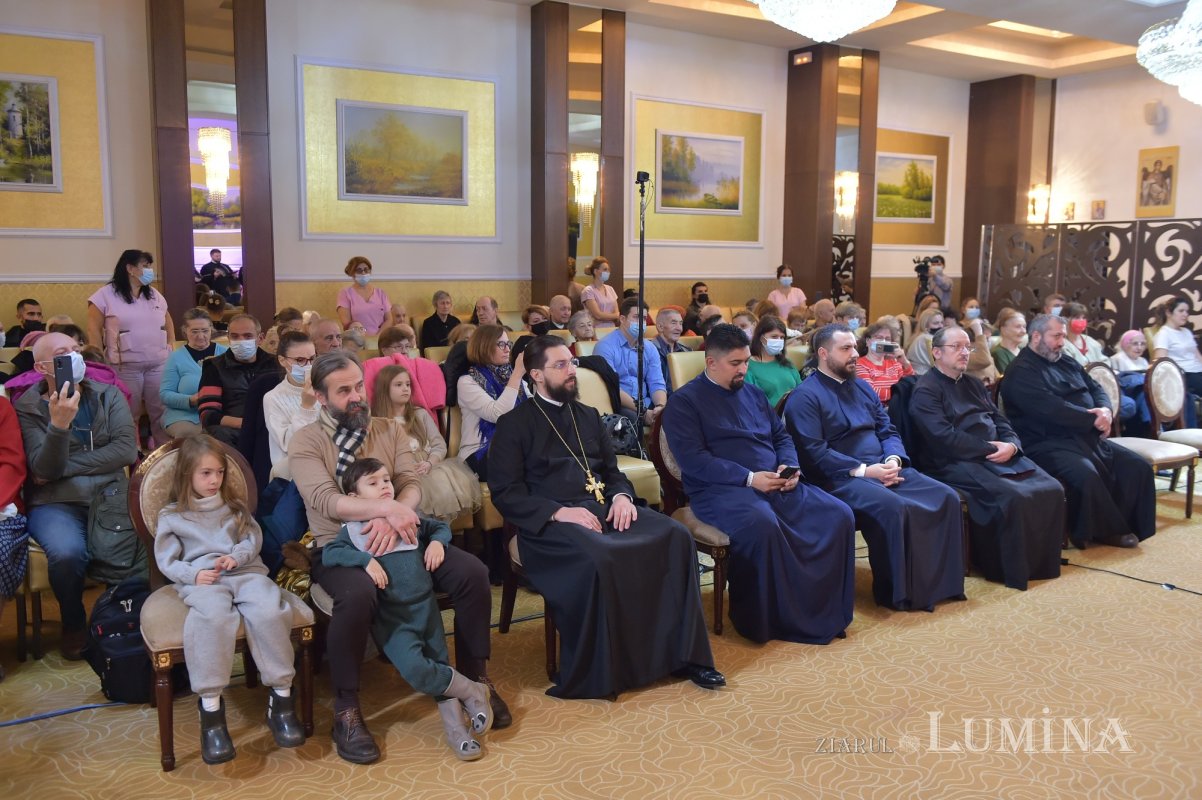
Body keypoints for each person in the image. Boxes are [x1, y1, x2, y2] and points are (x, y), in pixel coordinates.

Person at [289, 351, 509, 763]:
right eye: (343, 391)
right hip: (340, 546)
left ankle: (475, 677)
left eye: (358, 386)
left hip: (406, 534)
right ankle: (347, 707)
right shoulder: (306, 440)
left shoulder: (387, 428)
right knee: (357, 596)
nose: (357, 397)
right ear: (320, 397)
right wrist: (386, 512)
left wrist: (396, 516)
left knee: (472, 573)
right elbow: (325, 500)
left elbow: (411, 484)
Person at [488, 335, 722, 697]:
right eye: (561, 365)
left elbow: (612, 473)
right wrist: (559, 512)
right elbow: (507, 493)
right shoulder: (514, 424)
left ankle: (685, 655)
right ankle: (609, 667)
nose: (571, 371)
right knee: (600, 556)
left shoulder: (588, 415)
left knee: (675, 537)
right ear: (535, 374)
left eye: (572, 363)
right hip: (550, 523)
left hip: (603, 507)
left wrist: (624, 497)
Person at [665, 324, 854, 643]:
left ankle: (821, 610)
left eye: (746, 362)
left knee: (839, 515)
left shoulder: (750, 392)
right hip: (720, 491)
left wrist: (789, 466)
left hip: (774, 481)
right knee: (763, 525)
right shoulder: (684, 402)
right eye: (735, 364)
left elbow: (781, 435)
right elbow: (694, 460)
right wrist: (749, 478)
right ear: (711, 362)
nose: (744, 370)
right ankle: (767, 620)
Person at [784, 324, 965, 612]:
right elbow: (814, 453)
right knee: (892, 506)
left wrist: (893, 460)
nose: (855, 354)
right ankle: (897, 592)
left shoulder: (863, 388)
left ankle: (938, 584)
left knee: (946, 497)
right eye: (846, 349)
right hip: (839, 477)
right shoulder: (804, 397)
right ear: (822, 353)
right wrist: (867, 471)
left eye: (854, 347)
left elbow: (888, 430)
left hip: (885, 467)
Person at [324, 458, 492, 761]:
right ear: (354, 498)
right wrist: (365, 561)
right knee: (417, 670)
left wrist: (437, 544)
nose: (384, 486)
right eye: (373, 483)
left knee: (439, 662)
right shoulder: (353, 532)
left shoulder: (407, 517)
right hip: (395, 618)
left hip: (425, 608)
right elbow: (331, 553)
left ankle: (457, 731)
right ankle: (471, 691)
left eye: (386, 480)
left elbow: (438, 527)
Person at [154, 434, 307, 765]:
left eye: (219, 472)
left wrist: (236, 557)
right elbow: (167, 560)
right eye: (205, 473)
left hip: (244, 573)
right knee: (212, 617)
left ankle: (281, 699)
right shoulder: (172, 516)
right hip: (204, 580)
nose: (214, 481)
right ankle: (211, 714)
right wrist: (193, 575)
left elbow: (253, 538)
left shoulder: (234, 507)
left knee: (269, 609)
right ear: (187, 476)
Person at [909, 326, 1065, 590]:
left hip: (996, 452)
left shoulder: (971, 383)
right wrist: (990, 449)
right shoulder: (926, 390)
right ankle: (1009, 568)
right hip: (954, 461)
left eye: (967, 347)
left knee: (1052, 488)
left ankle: (1041, 563)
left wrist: (1013, 446)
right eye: (956, 347)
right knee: (1014, 497)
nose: (964, 353)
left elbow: (999, 419)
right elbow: (943, 437)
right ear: (936, 352)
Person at [16, 332, 138, 659]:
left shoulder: (107, 395)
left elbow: (125, 451)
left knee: (143, 539)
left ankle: (128, 615)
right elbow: (41, 466)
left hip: (110, 495)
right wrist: (58, 425)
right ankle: (73, 622)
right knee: (67, 553)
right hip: (56, 503)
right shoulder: (27, 407)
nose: (73, 356)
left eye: (75, 349)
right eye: (62, 353)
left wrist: (63, 467)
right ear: (43, 367)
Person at [1000, 314, 1156, 549]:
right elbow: (1052, 409)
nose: (1062, 342)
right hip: (1045, 442)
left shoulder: (1067, 361)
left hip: (1085, 436)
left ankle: (1129, 522)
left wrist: (1105, 410)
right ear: (1036, 336)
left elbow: (1096, 387)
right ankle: (1103, 531)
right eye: (1056, 336)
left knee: (1137, 466)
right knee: (1086, 474)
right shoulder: (1021, 371)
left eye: (1063, 335)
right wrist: (1094, 420)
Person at [88, 249, 174, 446]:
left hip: (158, 363)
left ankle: (164, 454)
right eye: (145, 266)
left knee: (161, 411)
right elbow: (93, 328)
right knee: (128, 412)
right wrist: (98, 360)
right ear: (130, 268)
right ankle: (131, 455)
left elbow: (167, 320)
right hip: (124, 366)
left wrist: (170, 345)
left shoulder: (153, 294)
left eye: (150, 266)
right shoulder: (105, 295)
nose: (150, 270)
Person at [371, 364, 479, 520]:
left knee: (442, 487)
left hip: (429, 468)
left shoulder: (420, 414)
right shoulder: (377, 422)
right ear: (384, 389)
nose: (405, 389)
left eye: (408, 384)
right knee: (413, 497)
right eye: (399, 385)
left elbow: (439, 445)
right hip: (399, 473)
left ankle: (440, 538)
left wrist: (429, 463)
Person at [197, 314, 281, 445]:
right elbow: (207, 415)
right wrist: (247, 424)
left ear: (260, 338)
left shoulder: (277, 365)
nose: (241, 341)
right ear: (229, 338)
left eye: (248, 336)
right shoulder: (213, 367)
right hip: (232, 432)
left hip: (273, 429)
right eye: (235, 336)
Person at [457, 325, 525, 480]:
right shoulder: (467, 381)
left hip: (513, 445)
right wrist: (517, 374)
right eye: (501, 344)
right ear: (484, 346)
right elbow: (499, 415)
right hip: (479, 450)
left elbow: (533, 410)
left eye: (508, 344)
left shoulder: (510, 375)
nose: (507, 349)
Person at [594, 297, 667, 428]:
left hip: (646, 402)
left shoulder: (649, 348)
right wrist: (643, 412)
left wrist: (660, 407)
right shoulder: (605, 347)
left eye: (644, 318)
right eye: (636, 317)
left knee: (676, 413)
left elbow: (656, 382)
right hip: (619, 404)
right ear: (622, 319)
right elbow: (612, 388)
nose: (641, 322)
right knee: (633, 419)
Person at [161, 308, 228, 439]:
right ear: (185, 331)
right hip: (184, 415)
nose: (201, 336)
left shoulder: (226, 353)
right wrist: (190, 400)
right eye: (194, 331)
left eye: (205, 331)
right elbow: (165, 394)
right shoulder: (175, 357)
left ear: (211, 329)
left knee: (225, 435)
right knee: (190, 437)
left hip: (221, 412)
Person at [262, 331, 320, 481]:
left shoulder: (325, 389)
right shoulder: (273, 398)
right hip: (292, 476)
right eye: (300, 360)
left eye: (312, 359)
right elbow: (289, 445)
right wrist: (306, 407)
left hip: (325, 466)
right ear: (282, 360)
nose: (308, 365)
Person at [1152, 296, 1202, 426]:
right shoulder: (1164, 333)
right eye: (1181, 311)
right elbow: (1160, 362)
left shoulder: (1186, 332)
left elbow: (1198, 356)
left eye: (1187, 311)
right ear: (1169, 312)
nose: (1185, 314)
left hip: (1198, 372)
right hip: (1184, 375)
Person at [745, 315, 800, 408]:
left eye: (782, 337)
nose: (779, 340)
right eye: (774, 336)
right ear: (761, 338)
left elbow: (801, 390)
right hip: (769, 419)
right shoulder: (748, 367)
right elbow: (753, 403)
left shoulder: (787, 363)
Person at [856, 321, 914, 404]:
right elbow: (871, 392)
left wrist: (905, 362)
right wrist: (900, 392)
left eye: (887, 339)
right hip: (876, 410)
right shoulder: (860, 364)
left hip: (897, 407)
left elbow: (911, 383)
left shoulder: (894, 363)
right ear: (868, 341)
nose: (883, 341)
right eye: (879, 337)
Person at [335, 256, 392, 335]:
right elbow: (346, 323)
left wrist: (377, 338)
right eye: (359, 270)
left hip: (381, 339)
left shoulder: (380, 293)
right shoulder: (345, 293)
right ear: (352, 273)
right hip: (357, 340)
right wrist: (363, 338)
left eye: (366, 269)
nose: (363, 273)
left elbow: (389, 319)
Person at [650, 307, 689, 394]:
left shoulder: (686, 351)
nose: (679, 328)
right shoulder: (648, 351)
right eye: (674, 323)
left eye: (681, 323)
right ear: (660, 326)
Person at [1061, 303, 1107, 367]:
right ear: (1065, 319)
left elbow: (1105, 361)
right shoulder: (1061, 344)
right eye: (1077, 318)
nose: (1081, 321)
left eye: (1083, 318)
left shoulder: (1091, 341)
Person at [581, 257, 619, 331]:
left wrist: (613, 316)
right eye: (605, 269)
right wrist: (614, 316)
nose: (608, 272)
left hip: (612, 329)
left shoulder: (610, 289)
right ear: (595, 271)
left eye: (608, 270)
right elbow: (597, 315)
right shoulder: (588, 291)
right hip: (596, 330)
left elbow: (617, 314)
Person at [906, 307, 944, 376]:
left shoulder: (919, 337)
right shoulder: (927, 339)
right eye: (936, 323)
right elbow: (939, 365)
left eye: (942, 322)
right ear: (925, 326)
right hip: (923, 377)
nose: (941, 326)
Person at [991, 308, 1027, 374]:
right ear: (1004, 330)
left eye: (1024, 327)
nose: (1023, 331)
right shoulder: (998, 353)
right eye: (1018, 327)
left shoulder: (1025, 351)